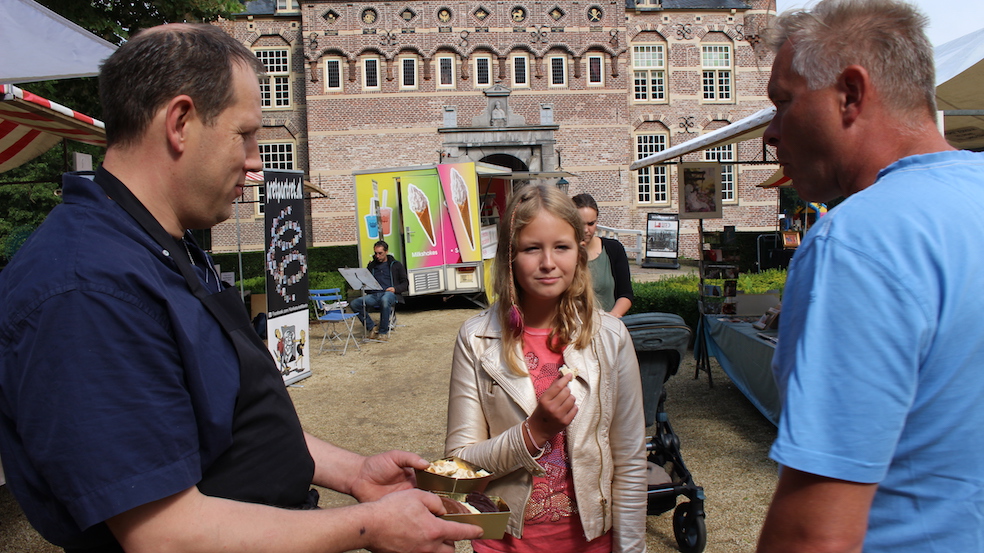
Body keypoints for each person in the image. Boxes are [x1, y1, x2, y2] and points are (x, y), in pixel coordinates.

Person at [0, 24, 481, 553]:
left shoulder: (162, 245)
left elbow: (232, 418)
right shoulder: (88, 291)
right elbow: (164, 536)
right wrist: (368, 525)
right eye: (245, 135)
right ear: (180, 123)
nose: (256, 161)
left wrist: (354, 472)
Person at [756, 1, 984, 552]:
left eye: (784, 103)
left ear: (851, 95)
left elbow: (816, 533)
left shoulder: (857, 241)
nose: (771, 133)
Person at [445, 184, 647, 553]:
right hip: (504, 543)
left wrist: (631, 549)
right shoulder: (477, 338)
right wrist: (532, 433)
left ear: (580, 252)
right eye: (532, 248)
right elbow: (459, 466)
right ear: (509, 256)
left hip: (592, 543)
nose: (548, 262)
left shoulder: (610, 336)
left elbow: (630, 461)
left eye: (562, 247)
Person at [571, 193, 633, 317]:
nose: (586, 230)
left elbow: (625, 294)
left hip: (608, 324)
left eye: (591, 224)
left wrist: (612, 316)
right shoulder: (562, 252)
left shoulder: (614, 249)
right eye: (580, 224)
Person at [350, 239, 409, 341]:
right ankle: (371, 327)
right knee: (354, 303)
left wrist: (395, 289)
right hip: (374, 294)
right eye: (376, 253)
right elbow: (366, 281)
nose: (377, 256)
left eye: (380, 253)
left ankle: (383, 332)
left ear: (386, 251)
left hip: (389, 293)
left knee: (384, 300)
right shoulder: (372, 265)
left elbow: (405, 283)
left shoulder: (396, 265)